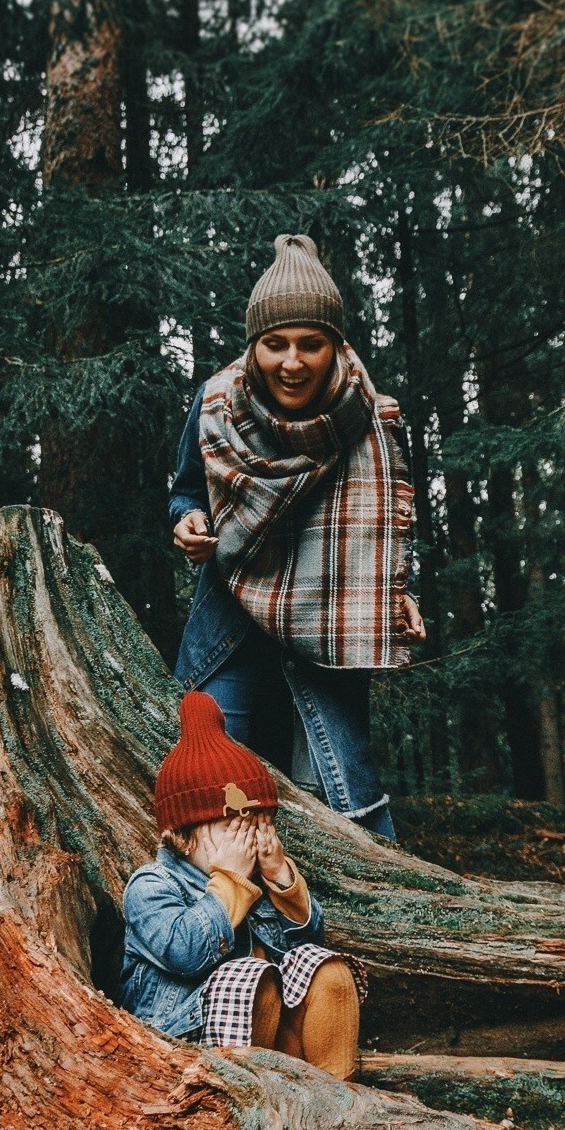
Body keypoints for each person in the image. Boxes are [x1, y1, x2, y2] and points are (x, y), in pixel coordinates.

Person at [166, 234, 424, 843]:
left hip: (329, 619)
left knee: (344, 801)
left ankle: (356, 921)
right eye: (275, 344)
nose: (292, 362)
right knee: (209, 785)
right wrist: (187, 522)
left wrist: (403, 591)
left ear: (337, 345)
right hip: (231, 620)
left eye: (311, 344)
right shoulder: (215, 406)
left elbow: (394, 520)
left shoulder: (374, 417)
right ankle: (219, 926)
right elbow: (185, 491)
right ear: (253, 346)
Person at [121, 690, 365, 1078]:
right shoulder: (151, 885)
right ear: (183, 837)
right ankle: (250, 1103)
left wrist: (283, 882)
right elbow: (184, 951)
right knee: (249, 979)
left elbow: (306, 949)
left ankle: (337, 1093)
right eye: (233, 827)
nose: (247, 841)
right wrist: (230, 881)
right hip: (187, 1048)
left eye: (258, 824)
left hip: (275, 1045)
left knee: (328, 970)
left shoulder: (259, 885)